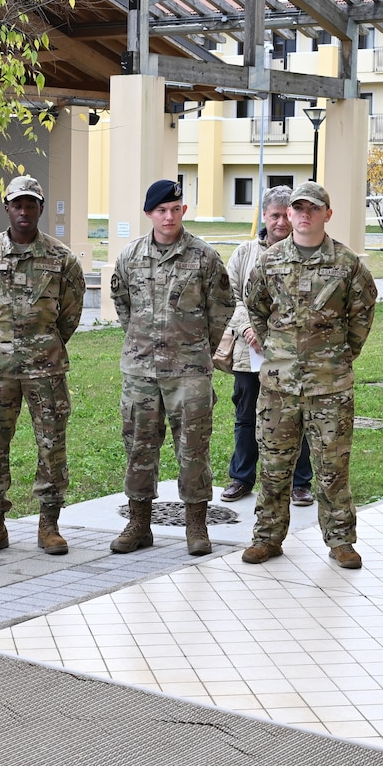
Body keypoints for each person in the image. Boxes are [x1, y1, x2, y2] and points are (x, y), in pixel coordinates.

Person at [240, 181, 377, 570]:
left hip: (329, 384)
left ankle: (341, 542)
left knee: (333, 467)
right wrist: (276, 350)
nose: (303, 215)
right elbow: (256, 308)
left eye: (312, 209)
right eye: (297, 209)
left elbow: (362, 314)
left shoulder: (347, 264)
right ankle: (267, 538)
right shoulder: (269, 260)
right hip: (279, 386)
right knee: (274, 465)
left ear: (327, 214)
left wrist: (340, 354)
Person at [0, 174, 87, 557]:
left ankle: (48, 524)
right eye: (17, 204)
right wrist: (3, 339)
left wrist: (42, 343)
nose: (23, 210)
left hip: (45, 370)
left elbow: (71, 313)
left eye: (30, 204)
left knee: (51, 446)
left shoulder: (62, 258)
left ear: (40, 209)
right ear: (7, 208)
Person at [110, 178, 232, 556]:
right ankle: (139, 523)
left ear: (183, 211)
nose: (168, 216)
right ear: (149, 214)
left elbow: (221, 309)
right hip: (141, 372)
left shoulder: (204, 257)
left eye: (175, 209)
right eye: (161, 210)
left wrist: (196, 349)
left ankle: (196, 525)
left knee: (193, 449)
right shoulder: (130, 257)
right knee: (139, 449)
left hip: (189, 372)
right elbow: (122, 304)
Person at [220, 187, 314, 508]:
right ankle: (241, 477)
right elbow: (229, 296)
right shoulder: (245, 253)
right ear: (264, 216)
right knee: (246, 414)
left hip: (292, 354)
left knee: (295, 414)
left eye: (284, 215)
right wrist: (247, 327)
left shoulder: (306, 253)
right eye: (273, 215)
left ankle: (300, 483)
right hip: (251, 354)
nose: (279, 222)